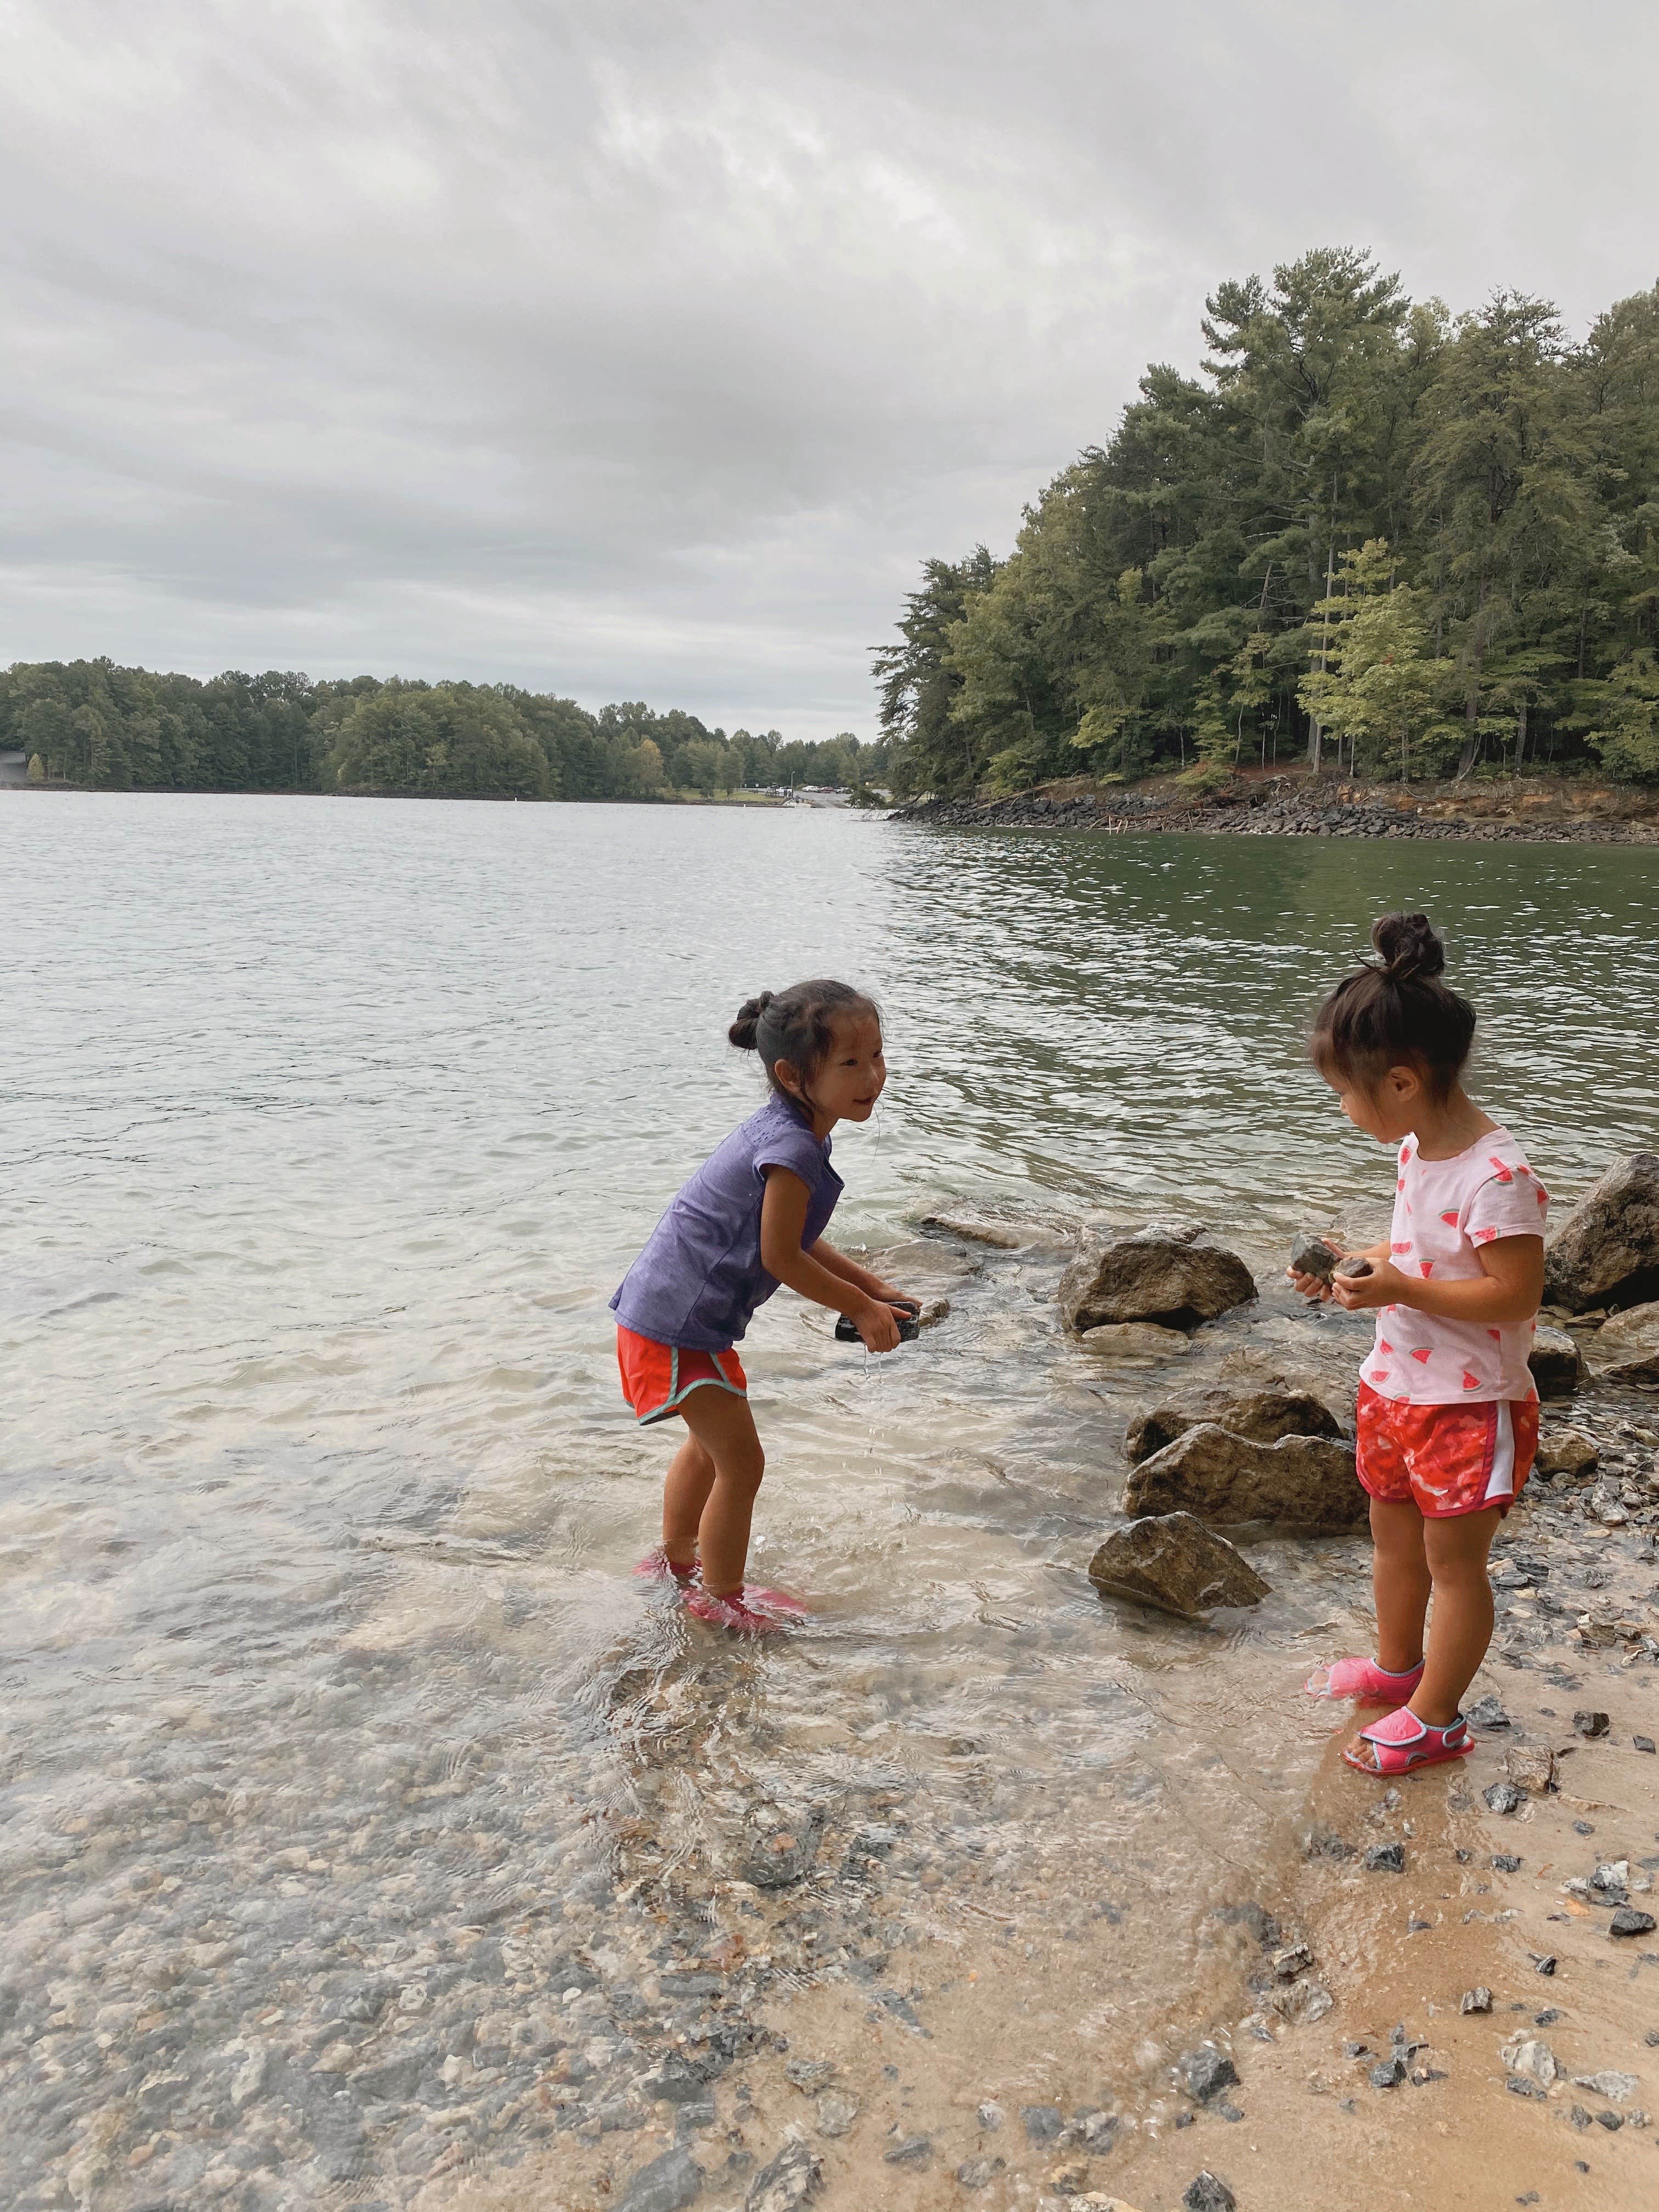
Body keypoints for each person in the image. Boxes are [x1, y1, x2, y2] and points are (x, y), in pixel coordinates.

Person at [1291, 913, 1548, 1775]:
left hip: (1470, 1403)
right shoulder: (1417, 1152)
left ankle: (1439, 1717)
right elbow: (1421, 1253)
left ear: (1400, 1082)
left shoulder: (1499, 1175)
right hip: (1395, 1385)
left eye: (1345, 1090)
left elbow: (1514, 1295)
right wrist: (1358, 1268)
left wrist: (1399, 1286)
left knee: (1455, 1563)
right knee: (1392, 1538)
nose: (1341, 1105)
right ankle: (1399, 1671)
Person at [610, 978, 916, 1634]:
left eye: (878, 1057)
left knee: (708, 1448)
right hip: (675, 1325)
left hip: (676, 1318)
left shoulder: (799, 1131)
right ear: (791, 1074)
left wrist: (874, 1288)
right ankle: (718, 1597)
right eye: (851, 1063)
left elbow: (795, 1237)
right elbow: (781, 1257)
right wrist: (861, 1310)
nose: (873, 1077)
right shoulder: (792, 1147)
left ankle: (675, 1561)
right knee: (741, 1463)